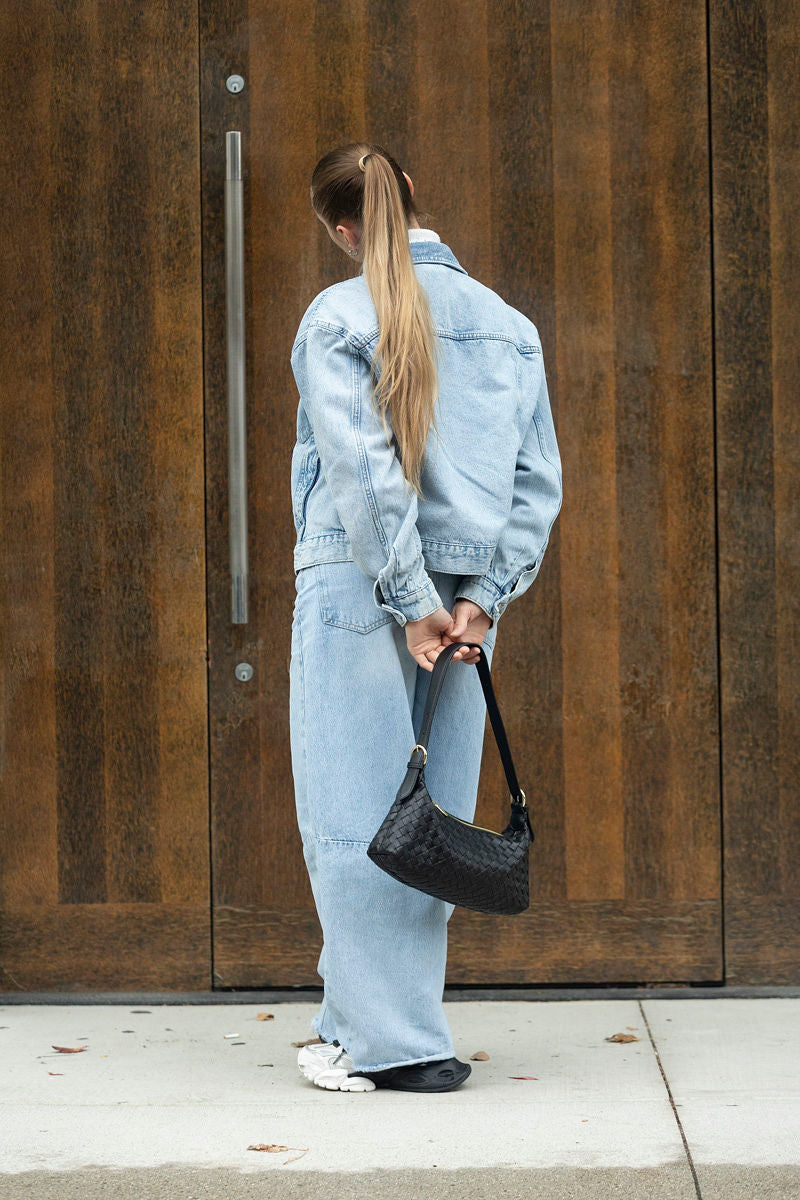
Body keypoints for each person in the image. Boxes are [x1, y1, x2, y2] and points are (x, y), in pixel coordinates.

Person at [289, 141, 562, 1094]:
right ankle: (355, 1020)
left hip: (368, 592)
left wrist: (409, 604)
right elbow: (536, 486)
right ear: (414, 196)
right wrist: (481, 601)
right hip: (466, 609)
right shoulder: (507, 323)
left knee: (356, 816)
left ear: (345, 227)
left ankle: (396, 1047)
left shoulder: (338, 313)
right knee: (424, 821)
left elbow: (364, 475)